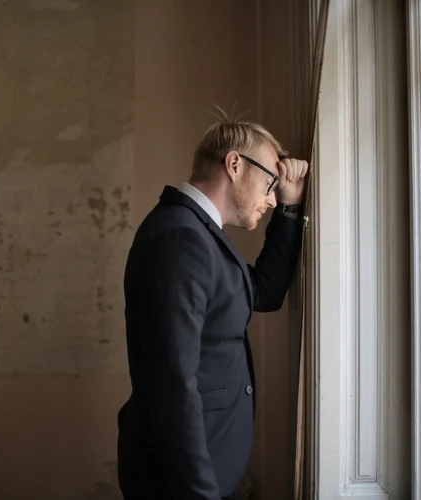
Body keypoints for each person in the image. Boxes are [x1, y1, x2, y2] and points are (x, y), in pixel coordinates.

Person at [116, 113, 308, 500]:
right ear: (234, 164)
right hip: (181, 484)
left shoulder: (198, 234)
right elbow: (172, 384)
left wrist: (289, 207)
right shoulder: (180, 237)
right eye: (270, 183)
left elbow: (262, 293)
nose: (271, 198)